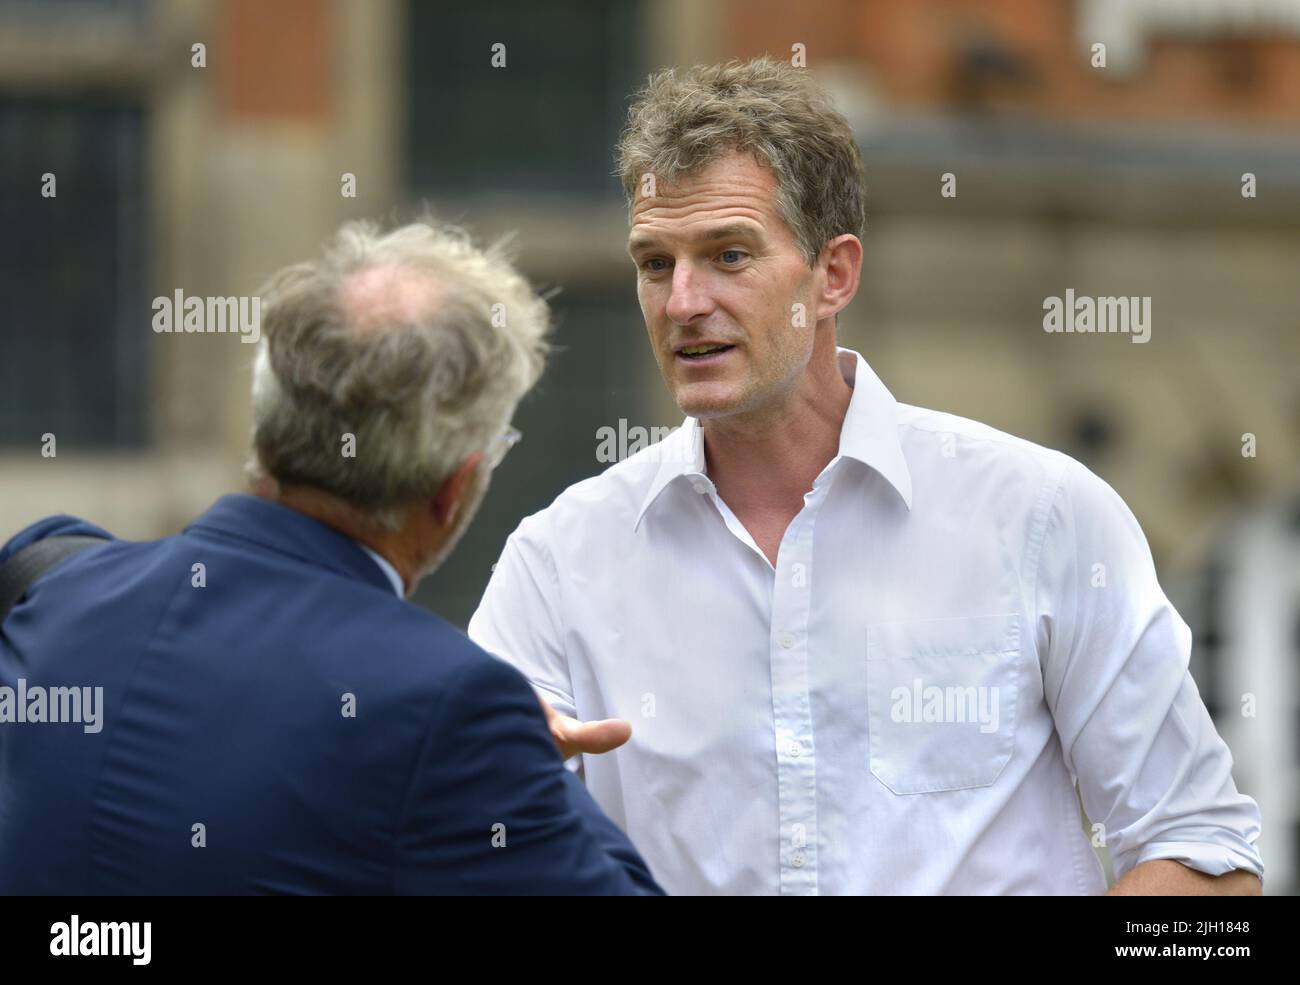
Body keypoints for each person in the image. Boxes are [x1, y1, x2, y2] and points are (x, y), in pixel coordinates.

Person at [468, 58, 1264, 895]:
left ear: (834, 274)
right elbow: (455, 837)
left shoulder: (1044, 517)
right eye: (656, 263)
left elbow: (1208, 866)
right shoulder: (558, 563)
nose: (683, 302)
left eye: (728, 255)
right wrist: (496, 800)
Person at [0, 218, 663, 895]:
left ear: (269, 420)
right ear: (454, 486)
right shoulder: (449, 712)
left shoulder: (49, 586)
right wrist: (525, 757)